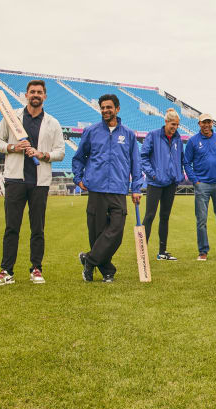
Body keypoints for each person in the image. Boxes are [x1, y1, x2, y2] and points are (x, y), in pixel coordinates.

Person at [0, 80, 65, 286]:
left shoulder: (53, 123)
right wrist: (14, 147)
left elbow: (61, 151)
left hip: (40, 181)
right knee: (12, 227)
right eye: (32, 92)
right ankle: (7, 271)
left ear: (45, 96)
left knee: (37, 228)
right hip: (15, 179)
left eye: (40, 92)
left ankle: (36, 269)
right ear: (26, 95)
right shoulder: (12, 117)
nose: (36, 95)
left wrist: (42, 154)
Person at [72, 94, 142, 283]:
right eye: (102, 107)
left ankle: (89, 259)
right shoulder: (91, 131)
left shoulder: (128, 134)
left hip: (119, 189)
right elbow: (79, 157)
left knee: (116, 233)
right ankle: (107, 271)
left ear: (117, 109)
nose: (105, 110)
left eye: (109, 107)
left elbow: (136, 163)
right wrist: (78, 178)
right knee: (97, 233)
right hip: (96, 189)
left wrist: (136, 187)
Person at [184, 113, 216, 261]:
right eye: (203, 122)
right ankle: (203, 251)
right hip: (202, 185)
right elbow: (186, 162)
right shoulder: (193, 141)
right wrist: (195, 181)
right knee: (201, 220)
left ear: (212, 123)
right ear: (199, 124)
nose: (206, 125)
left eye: (209, 122)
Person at [140, 108, 184, 261]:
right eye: (173, 124)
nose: (175, 128)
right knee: (150, 216)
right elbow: (143, 157)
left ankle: (162, 252)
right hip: (155, 182)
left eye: (177, 125)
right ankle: (142, 251)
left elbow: (180, 158)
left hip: (171, 183)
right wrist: (152, 174)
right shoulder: (153, 135)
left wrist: (178, 175)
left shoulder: (178, 139)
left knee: (165, 216)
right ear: (166, 122)